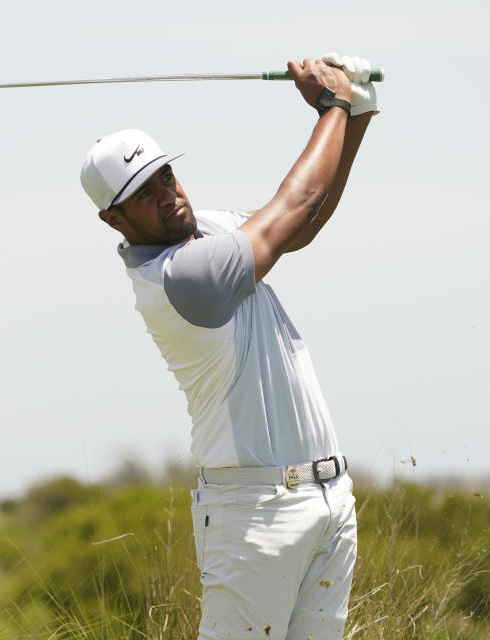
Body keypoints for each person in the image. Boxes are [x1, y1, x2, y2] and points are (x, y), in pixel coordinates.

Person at [79, 54, 379, 640]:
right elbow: (289, 212)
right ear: (113, 219)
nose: (167, 194)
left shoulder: (207, 230)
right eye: (144, 192)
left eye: (166, 175)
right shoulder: (181, 278)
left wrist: (357, 114)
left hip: (326, 501)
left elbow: (303, 222)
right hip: (255, 518)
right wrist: (332, 106)